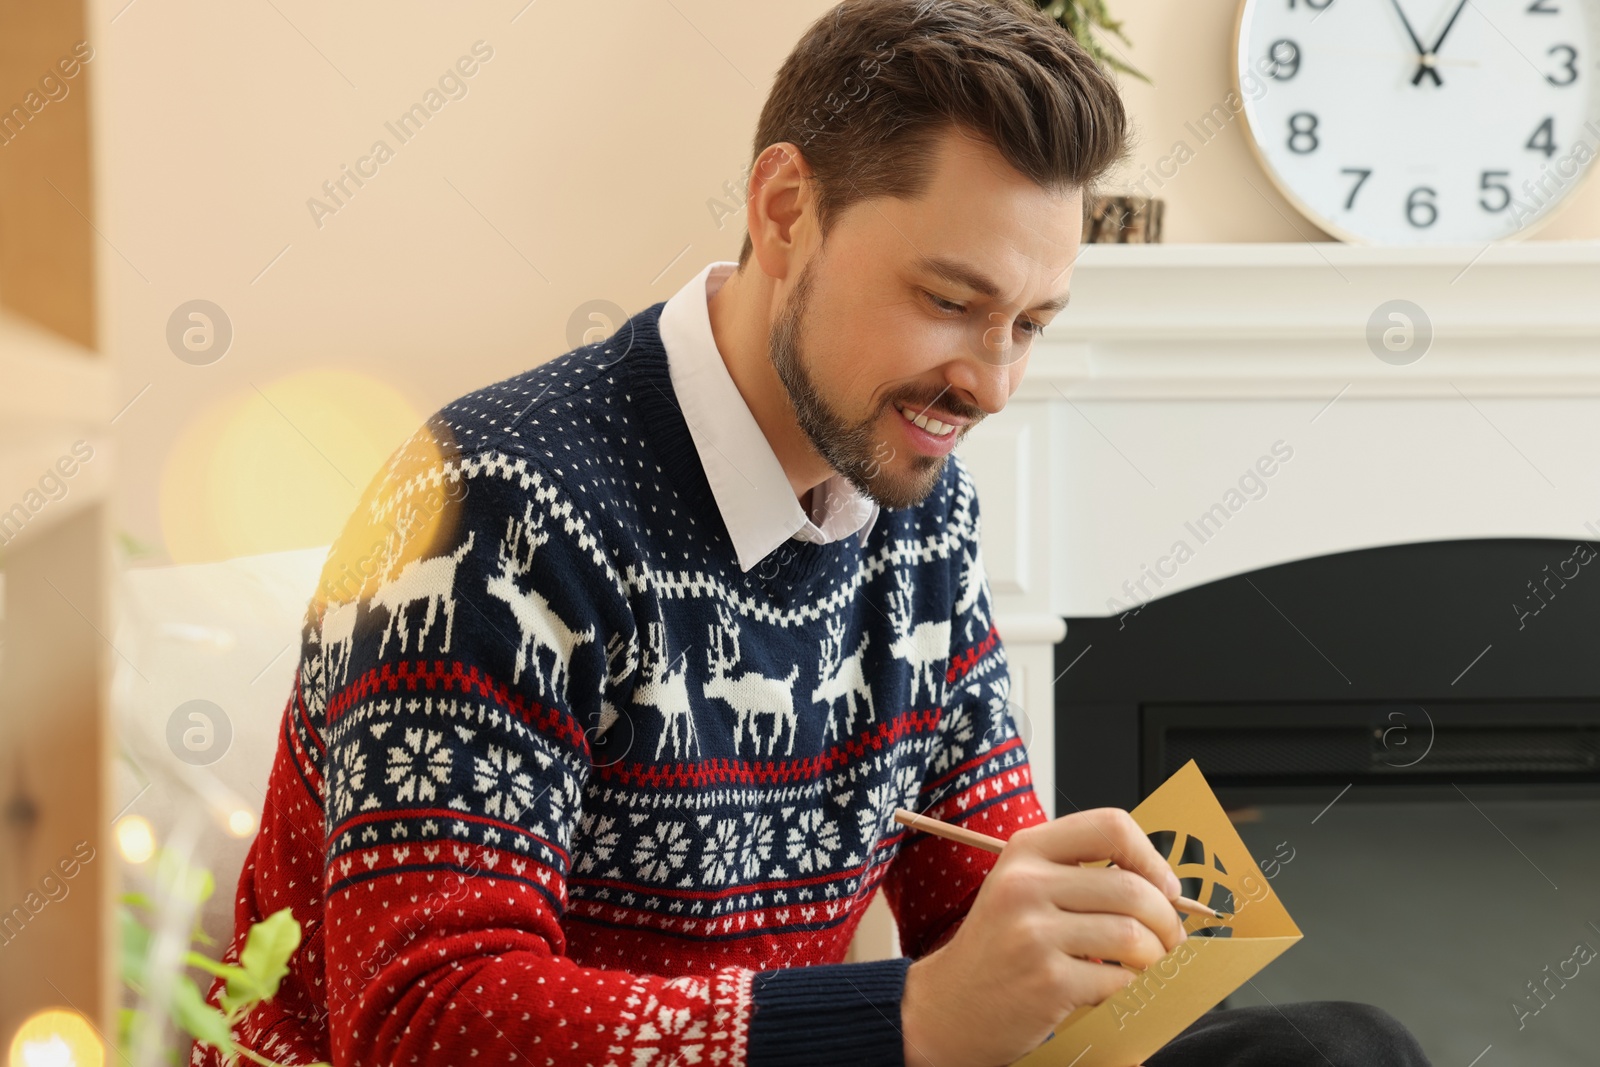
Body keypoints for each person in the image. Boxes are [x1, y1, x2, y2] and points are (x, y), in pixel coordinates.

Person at [198, 1, 1432, 1064]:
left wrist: (1069, 928)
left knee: (1341, 1047)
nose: (991, 383)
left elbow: (973, 891)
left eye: (1031, 324)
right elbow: (421, 1019)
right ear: (787, 211)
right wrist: (912, 1018)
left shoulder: (913, 495)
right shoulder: (484, 510)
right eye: (951, 301)